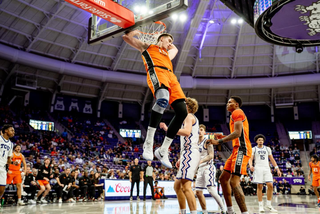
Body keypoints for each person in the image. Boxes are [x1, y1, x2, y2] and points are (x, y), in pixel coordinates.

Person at [123, 30, 188, 168]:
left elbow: (175, 49)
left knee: (183, 112)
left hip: (171, 77)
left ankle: (163, 150)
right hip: (157, 71)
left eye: (171, 42)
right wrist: (137, 30)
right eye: (168, 40)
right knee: (163, 99)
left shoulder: (167, 54)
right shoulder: (148, 47)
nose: (171, 43)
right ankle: (149, 142)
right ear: (161, 39)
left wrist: (169, 43)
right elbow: (126, 37)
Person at [208, 96, 252, 214]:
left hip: (242, 149)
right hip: (236, 150)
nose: (227, 104)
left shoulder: (237, 112)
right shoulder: (234, 114)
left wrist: (219, 141)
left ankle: (245, 212)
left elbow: (237, 133)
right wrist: (223, 137)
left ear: (236, 104)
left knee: (234, 181)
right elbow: (238, 133)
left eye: (230, 102)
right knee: (223, 179)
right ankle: (230, 211)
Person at [160, 97, 200, 214]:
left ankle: (193, 212)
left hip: (190, 152)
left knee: (186, 186)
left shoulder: (188, 116)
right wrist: (181, 157)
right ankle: (182, 212)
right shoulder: (189, 118)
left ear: (187, 106)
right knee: (177, 186)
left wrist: (169, 129)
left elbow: (187, 132)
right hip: (187, 153)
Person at [195, 124, 226, 214]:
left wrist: (201, 161)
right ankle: (205, 212)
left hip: (208, 167)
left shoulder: (207, 141)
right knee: (198, 192)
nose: (199, 131)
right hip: (200, 169)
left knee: (211, 190)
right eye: (198, 129)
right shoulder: (195, 142)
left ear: (204, 132)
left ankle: (224, 210)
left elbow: (211, 155)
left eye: (201, 129)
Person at [249, 134, 281, 212]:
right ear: (256, 141)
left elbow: (272, 159)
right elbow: (250, 159)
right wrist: (250, 166)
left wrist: (277, 169)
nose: (261, 141)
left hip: (266, 168)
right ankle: (260, 206)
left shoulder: (267, 149)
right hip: (258, 168)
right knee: (259, 186)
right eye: (259, 140)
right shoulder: (254, 149)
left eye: (262, 140)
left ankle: (269, 205)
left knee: (270, 185)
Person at [0, 125, 14, 203]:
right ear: (6, 131)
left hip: (2, 167)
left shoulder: (10, 144)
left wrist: (12, 162)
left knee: (2, 188)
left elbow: (8, 159)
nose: (13, 132)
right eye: (12, 130)